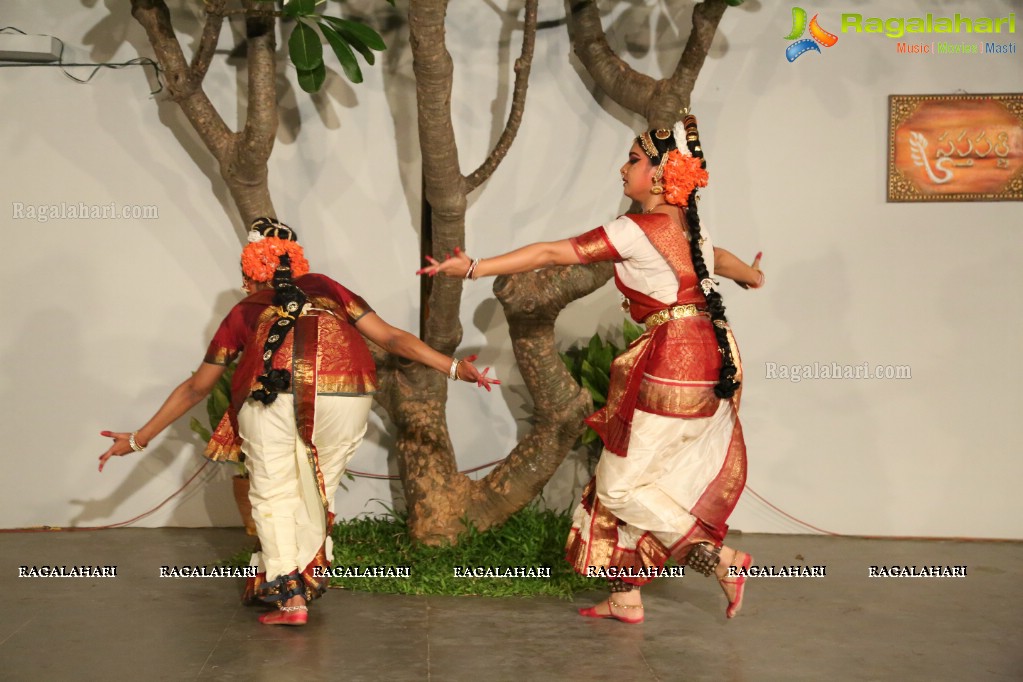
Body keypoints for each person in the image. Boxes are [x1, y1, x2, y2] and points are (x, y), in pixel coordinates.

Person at [418, 115, 763, 623]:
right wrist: (753, 276)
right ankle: (625, 596)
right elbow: (721, 259)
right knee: (627, 475)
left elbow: (552, 251)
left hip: (673, 357)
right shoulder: (690, 226)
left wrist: (475, 267)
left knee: (620, 486)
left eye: (633, 160)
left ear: (661, 173)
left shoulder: (635, 229)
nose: (622, 169)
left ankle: (720, 561)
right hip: (713, 351)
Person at [99, 217, 497, 626]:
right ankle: (303, 579)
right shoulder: (327, 287)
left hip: (272, 389)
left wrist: (138, 439)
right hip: (347, 389)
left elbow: (197, 388)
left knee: (274, 491)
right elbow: (392, 338)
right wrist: (453, 368)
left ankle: (290, 597)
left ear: (249, 274)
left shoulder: (243, 310)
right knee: (315, 490)